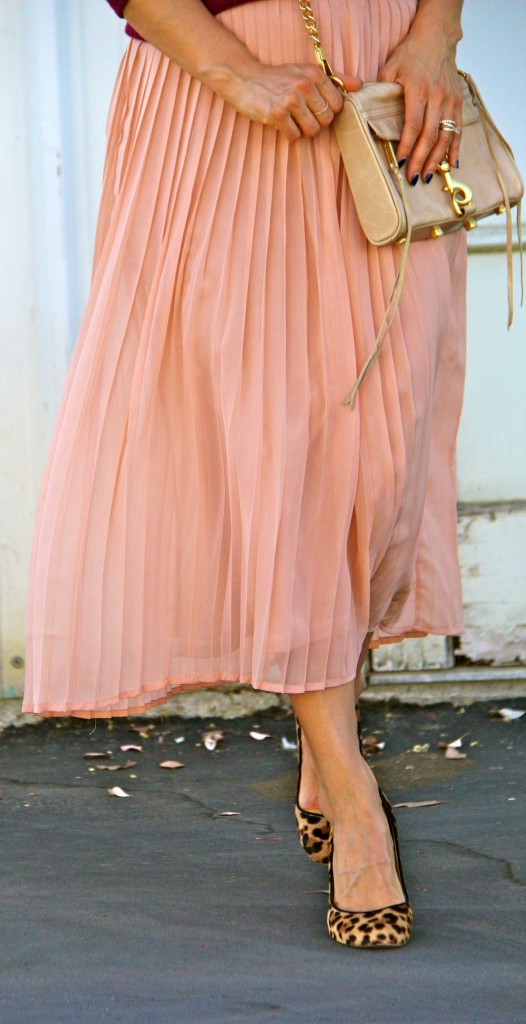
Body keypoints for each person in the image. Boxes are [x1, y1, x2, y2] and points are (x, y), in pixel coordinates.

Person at [23, 0, 466, 948]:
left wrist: (438, 32)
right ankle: (353, 801)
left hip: (391, 80)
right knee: (286, 454)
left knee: (379, 457)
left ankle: (321, 738)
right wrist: (229, 66)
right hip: (227, 95)